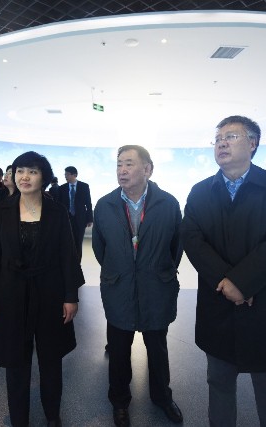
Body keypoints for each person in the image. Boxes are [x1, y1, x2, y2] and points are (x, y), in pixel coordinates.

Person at [180, 115, 266, 427]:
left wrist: (242, 283)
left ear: (253, 143)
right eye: (218, 138)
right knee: (219, 383)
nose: (222, 142)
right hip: (217, 300)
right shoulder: (200, 191)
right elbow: (192, 239)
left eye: (231, 136)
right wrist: (227, 282)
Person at [0, 151, 84, 427]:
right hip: (10, 293)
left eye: (32, 171)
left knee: (51, 359)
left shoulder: (57, 212)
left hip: (50, 292)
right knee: (15, 361)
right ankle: (19, 418)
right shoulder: (1, 210)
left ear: (43, 177)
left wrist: (71, 296)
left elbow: (68, 255)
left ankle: (52, 415)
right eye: (20, 171)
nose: (24, 177)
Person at [92, 145, 183, 427]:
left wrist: (155, 269)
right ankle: (120, 402)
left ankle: (162, 398)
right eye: (119, 164)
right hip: (118, 288)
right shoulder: (105, 205)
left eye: (129, 164)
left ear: (148, 169)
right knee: (119, 351)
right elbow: (100, 249)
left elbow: (176, 248)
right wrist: (121, 269)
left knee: (157, 349)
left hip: (156, 288)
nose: (122, 170)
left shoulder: (168, 204)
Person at [59, 166, 93, 261]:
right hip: (66, 219)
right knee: (67, 241)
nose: (65, 176)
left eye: (67, 174)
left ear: (74, 175)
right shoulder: (62, 188)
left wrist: (90, 219)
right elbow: (59, 205)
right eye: (65, 174)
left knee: (78, 241)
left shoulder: (84, 186)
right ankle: (68, 261)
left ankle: (77, 262)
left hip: (80, 219)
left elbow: (88, 203)